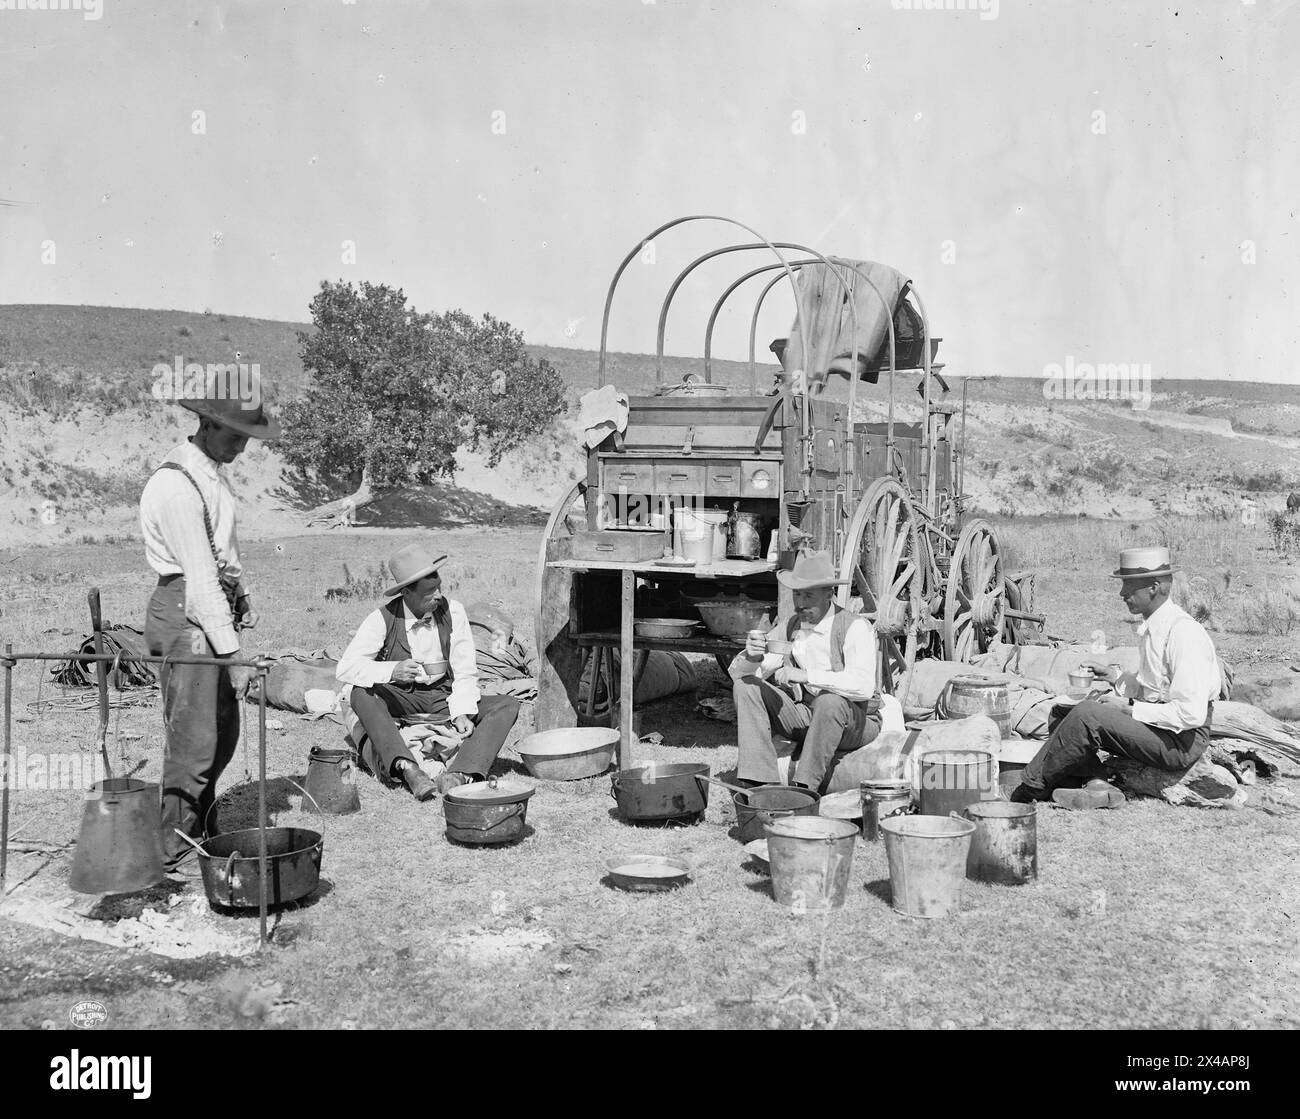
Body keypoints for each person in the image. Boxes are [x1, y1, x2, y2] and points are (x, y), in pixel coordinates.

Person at [138, 372, 279, 872]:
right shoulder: (176, 486)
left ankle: (199, 824)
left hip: (207, 609)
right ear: (204, 424)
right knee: (195, 740)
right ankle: (173, 844)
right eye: (234, 437)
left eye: (246, 438)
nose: (241, 447)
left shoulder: (209, 474)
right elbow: (197, 581)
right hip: (186, 614)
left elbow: (219, 557)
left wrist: (241, 594)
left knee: (222, 732)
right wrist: (233, 657)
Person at [1011, 546, 1220, 809]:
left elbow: (1191, 714)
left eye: (1128, 587)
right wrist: (1113, 676)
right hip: (1163, 727)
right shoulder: (1154, 627)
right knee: (1061, 712)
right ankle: (1096, 782)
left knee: (1088, 715)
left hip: (1181, 741)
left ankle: (1028, 789)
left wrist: (1130, 710)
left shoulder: (1184, 634)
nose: (1122, 594)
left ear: (1154, 587)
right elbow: (1152, 687)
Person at [336, 544, 521, 801]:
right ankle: (408, 767)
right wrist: (392, 670)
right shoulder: (382, 619)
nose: (438, 596)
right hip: (398, 702)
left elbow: (465, 671)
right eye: (429, 591)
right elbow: (346, 667)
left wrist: (461, 713)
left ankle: (459, 775)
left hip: (442, 700)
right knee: (359, 694)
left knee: (506, 704)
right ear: (406, 593)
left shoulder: (453, 612)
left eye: (440, 587)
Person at [731, 550, 882, 792]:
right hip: (806, 714)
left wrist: (807, 676)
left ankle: (804, 790)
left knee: (829, 702)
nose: (800, 603)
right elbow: (739, 675)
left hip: (855, 721)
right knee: (746, 687)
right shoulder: (792, 625)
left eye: (809, 595)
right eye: (797, 594)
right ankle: (759, 783)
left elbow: (863, 687)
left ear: (828, 595)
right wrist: (752, 656)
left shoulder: (855, 627)